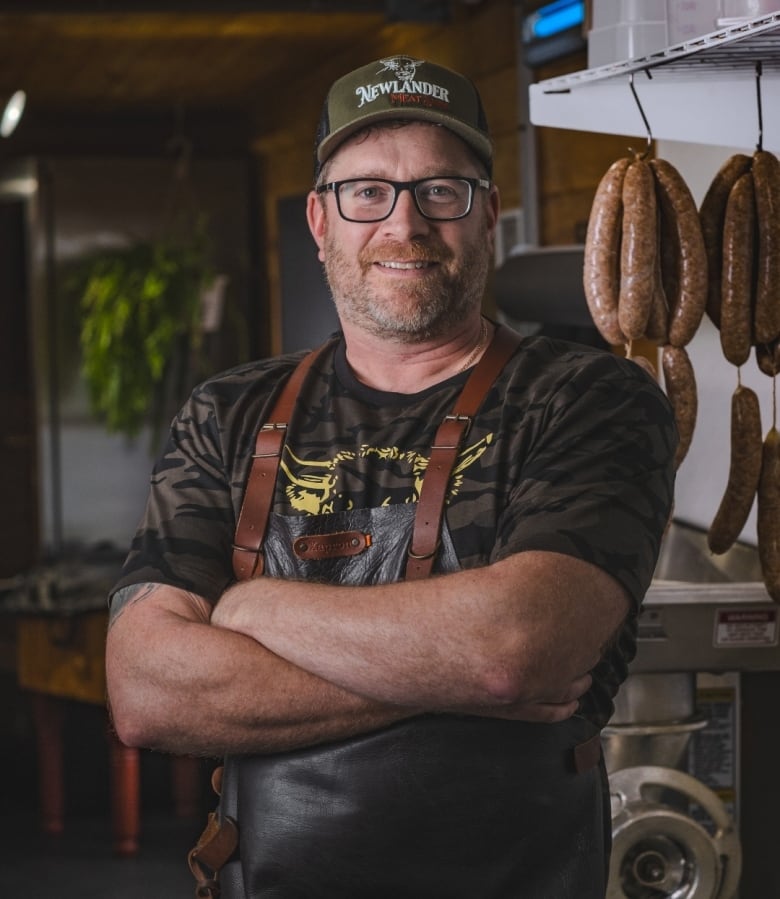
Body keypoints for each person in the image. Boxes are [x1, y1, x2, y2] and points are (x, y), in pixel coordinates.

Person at [105, 55, 677, 899]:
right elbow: (146, 690)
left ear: (487, 215)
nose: (402, 225)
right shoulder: (229, 412)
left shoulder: (591, 398)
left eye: (440, 190)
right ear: (319, 219)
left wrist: (251, 608)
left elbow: (515, 648)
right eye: (366, 191)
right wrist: (456, 669)